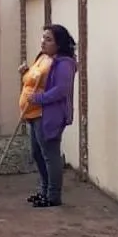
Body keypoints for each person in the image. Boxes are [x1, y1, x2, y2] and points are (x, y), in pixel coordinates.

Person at [18, 24, 77, 208]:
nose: (43, 42)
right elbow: (35, 79)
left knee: (50, 155)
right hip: (33, 113)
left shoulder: (64, 63)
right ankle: (44, 190)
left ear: (59, 44)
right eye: (43, 37)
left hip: (48, 115)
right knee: (37, 154)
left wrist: (39, 98)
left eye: (49, 39)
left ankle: (53, 195)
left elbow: (61, 90)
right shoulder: (43, 58)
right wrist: (25, 72)